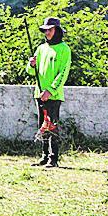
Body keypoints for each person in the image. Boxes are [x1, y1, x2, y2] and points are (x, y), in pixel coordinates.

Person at [27, 16, 72, 168]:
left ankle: (54, 158)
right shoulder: (41, 48)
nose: (47, 33)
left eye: (50, 30)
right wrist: (31, 64)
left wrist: (50, 90)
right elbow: (31, 71)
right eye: (45, 30)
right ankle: (44, 156)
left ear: (57, 31)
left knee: (52, 125)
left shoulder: (64, 49)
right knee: (42, 126)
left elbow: (63, 73)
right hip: (39, 93)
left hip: (53, 95)